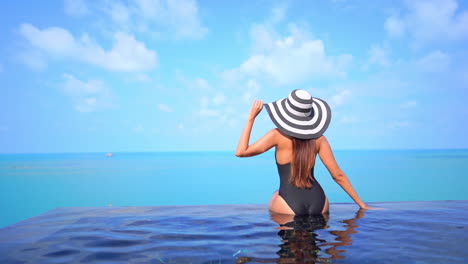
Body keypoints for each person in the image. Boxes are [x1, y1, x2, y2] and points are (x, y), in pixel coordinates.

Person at [235, 89, 381, 215]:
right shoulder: (320, 139)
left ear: (287, 112)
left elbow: (241, 151)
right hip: (319, 201)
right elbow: (338, 176)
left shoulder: (277, 135)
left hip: (288, 204)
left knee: (276, 199)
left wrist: (251, 118)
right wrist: (362, 205)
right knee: (315, 246)